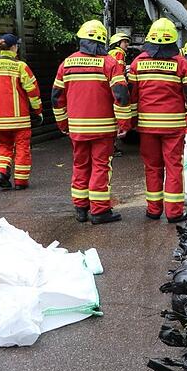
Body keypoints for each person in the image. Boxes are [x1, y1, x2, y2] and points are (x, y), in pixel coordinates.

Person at [52, 20, 131, 224]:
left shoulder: (66, 63)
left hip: (77, 128)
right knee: (100, 166)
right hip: (103, 128)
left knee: (80, 165)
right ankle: (99, 211)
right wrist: (124, 124)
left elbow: (56, 97)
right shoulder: (109, 63)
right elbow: (121, 95)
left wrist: (63, 124)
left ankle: (80, 208)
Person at [129, 18, 187, 223]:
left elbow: (132, 95)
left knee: (152, 167)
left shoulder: (138, 63)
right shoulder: (181, 64)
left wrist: (133, 121)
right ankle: (174, 212)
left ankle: (153, 210)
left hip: (147, 126)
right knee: (174, 167)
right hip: (173, 126)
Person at [0, 33, 42, 190]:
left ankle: (1, 172)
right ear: (14, 47)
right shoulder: (20, 66)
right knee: (22, 148)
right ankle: (20, 182)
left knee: (4, 146)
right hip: (20, 119)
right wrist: (37, 111)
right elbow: (33, 91)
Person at [108, 32, 131, 158]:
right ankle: (112, 147)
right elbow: (118, 73)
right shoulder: (119, 53)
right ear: (117, 43)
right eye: (124, 41)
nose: (127, 44)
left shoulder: (111, 54)